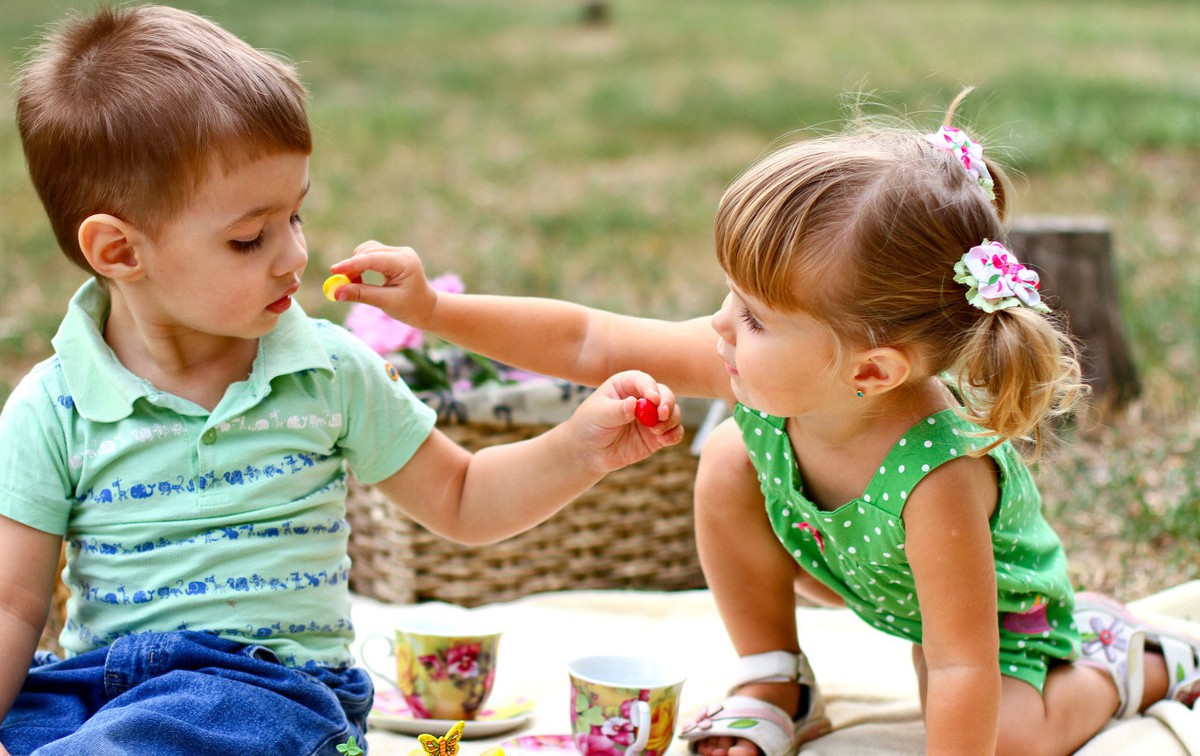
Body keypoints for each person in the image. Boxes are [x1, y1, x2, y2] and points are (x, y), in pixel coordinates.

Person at [328, 91, 1200, 755]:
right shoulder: (765, 370)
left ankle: (1129, 660)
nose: (719, 325)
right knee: (729, 456)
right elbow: (588, 338)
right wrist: (435, 311)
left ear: (871, 371)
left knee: (1001, 734)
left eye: (753, 315)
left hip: (995, 625)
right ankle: (774, 678)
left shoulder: (938, 476)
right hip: (861, 572)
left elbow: (963, 662)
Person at [0, 6, 684, 754]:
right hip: (96, 687)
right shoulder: (52, 406)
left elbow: (462, 497)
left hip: (271, 692)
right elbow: (12, 605)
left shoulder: (325, 373)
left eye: (295, 216)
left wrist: (580, 448)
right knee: (36, 719)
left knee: (163, 728)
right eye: (249, 238)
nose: (295, 256)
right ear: (119, 252)